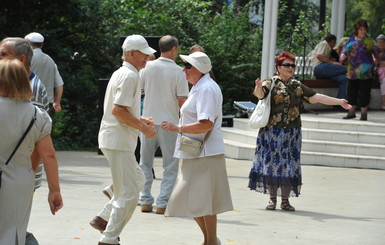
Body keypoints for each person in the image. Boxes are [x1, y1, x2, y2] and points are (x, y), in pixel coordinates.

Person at [248, 51, 351, 212]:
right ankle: (272, 199)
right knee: (272, 165)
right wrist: (258, 88)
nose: (290, 68)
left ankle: (285, 201)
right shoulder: (271, 82)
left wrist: (339, 102)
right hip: (271, 132)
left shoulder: (296, 85)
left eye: (292, 65)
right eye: (286, 65)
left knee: (289, 166)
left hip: (292, 133)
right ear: (278, 67)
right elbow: (260, 95)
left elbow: (315, 97)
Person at [89, 34, 156, 245]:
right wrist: (143, 127)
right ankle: (108, 238)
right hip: (118, 140)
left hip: (115, 139)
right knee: (128, 195)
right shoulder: (130, 76)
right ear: (132, 54)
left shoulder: (122, 73)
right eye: (144, 54)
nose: (147, 58)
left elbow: (118, 109)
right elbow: (118, 110)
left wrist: (139, 119)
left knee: (139, 179)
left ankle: (104, 215)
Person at [161, 52, 233, 245]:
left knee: (202, 202)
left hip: (204, 154)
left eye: (188, 66)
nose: (184, 70)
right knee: (196, 202)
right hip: (196, 153)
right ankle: (210, 241)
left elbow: (206, 123)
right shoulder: (199, 87)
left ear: (200, 69)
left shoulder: (206, 89)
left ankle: (210, 241)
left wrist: (178, 128)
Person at [0, 59, 63, 245]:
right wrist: (54, 190)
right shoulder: (37, 115)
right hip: (19, 178)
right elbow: (48, 155)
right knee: (14, 231)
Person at [138, 35, 189, 214]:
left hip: (147, 121)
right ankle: (163, 203)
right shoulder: (179, 72)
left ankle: (144, 200)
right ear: (174, 49)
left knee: (144, 163)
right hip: (169, 123)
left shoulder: (147, 67)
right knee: (170, 165)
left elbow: (138, 92)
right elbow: (182, 100)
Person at [340, 19, 378, 121]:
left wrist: (376, 60)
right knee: (351, 93)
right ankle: (351, 113)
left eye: (365, 29)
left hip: (366, 72)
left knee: (364, 93)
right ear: (357, 30)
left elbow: (376, 53)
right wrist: (342, 56)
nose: (363, 31)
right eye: (361, 29)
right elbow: (344, 51)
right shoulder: (351, 40)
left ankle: (363, 114)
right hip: (352, 72)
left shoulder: (370, 41)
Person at [25, 32, 64, 114]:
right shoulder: (50, 60)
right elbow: (59, 84)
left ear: (27, 44)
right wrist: (57, 102)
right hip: (45, 103)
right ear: (42, 45)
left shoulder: (25, 58)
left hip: (27, 100)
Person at [309, 33, 348, 99]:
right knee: (346, 69)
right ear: (332, 41)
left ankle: (340, 102)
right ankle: (355, 70)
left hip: (325, 71)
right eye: (334, 43)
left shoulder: (328, 48)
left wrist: (330, 60)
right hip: (319, 68)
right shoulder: (324, 44)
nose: (334, 46)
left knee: (344, 79)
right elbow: (319, 56)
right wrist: (332, 62)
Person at [375, 34, 385, 109]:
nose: (381, 44)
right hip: (378, 73)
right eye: (380, 42)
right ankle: (383, 103)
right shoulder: (374, 52)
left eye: (383, 42)